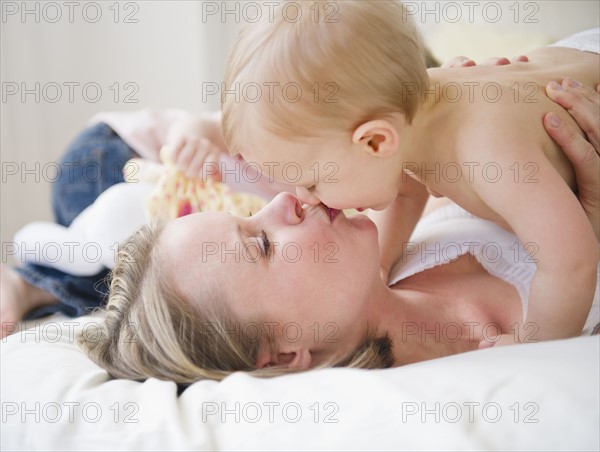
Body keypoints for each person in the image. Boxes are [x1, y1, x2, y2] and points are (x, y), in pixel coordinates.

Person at [72, 79, 600, 383]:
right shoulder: (473, 382)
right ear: (282, 356)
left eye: (249, 216)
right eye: (261, 244)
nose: (281, 201)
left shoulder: (397, 242)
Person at [220, 3, 599, 346]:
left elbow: (571, 262)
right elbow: (405, 190)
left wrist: (533, 344)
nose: (304, 197)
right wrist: (381, 265)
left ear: (374, 142)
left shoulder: (489, 155)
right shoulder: (416, 116)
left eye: (312, 180)